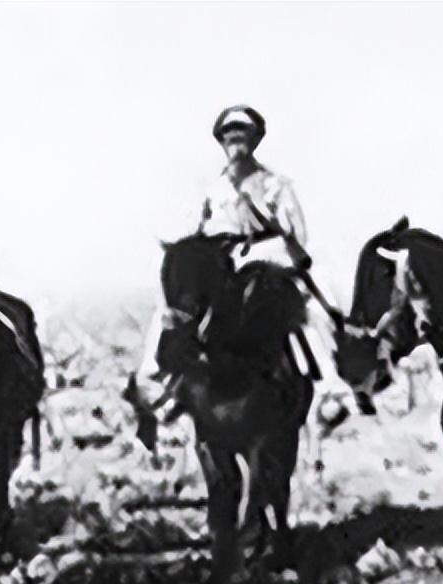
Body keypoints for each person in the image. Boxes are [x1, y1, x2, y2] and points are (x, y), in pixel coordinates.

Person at [136, 106, 348, 443]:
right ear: (221, 142)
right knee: (173, 307)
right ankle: (157, 382)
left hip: (267, 255)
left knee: (310, 305)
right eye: (229, 136)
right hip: (218, 259)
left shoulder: (276, 185)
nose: (235, 143)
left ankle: (330, 388)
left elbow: (297, 235)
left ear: (255, 140)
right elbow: (194, 227)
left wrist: (265, 225)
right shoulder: (213, 187)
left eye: (242, 136)